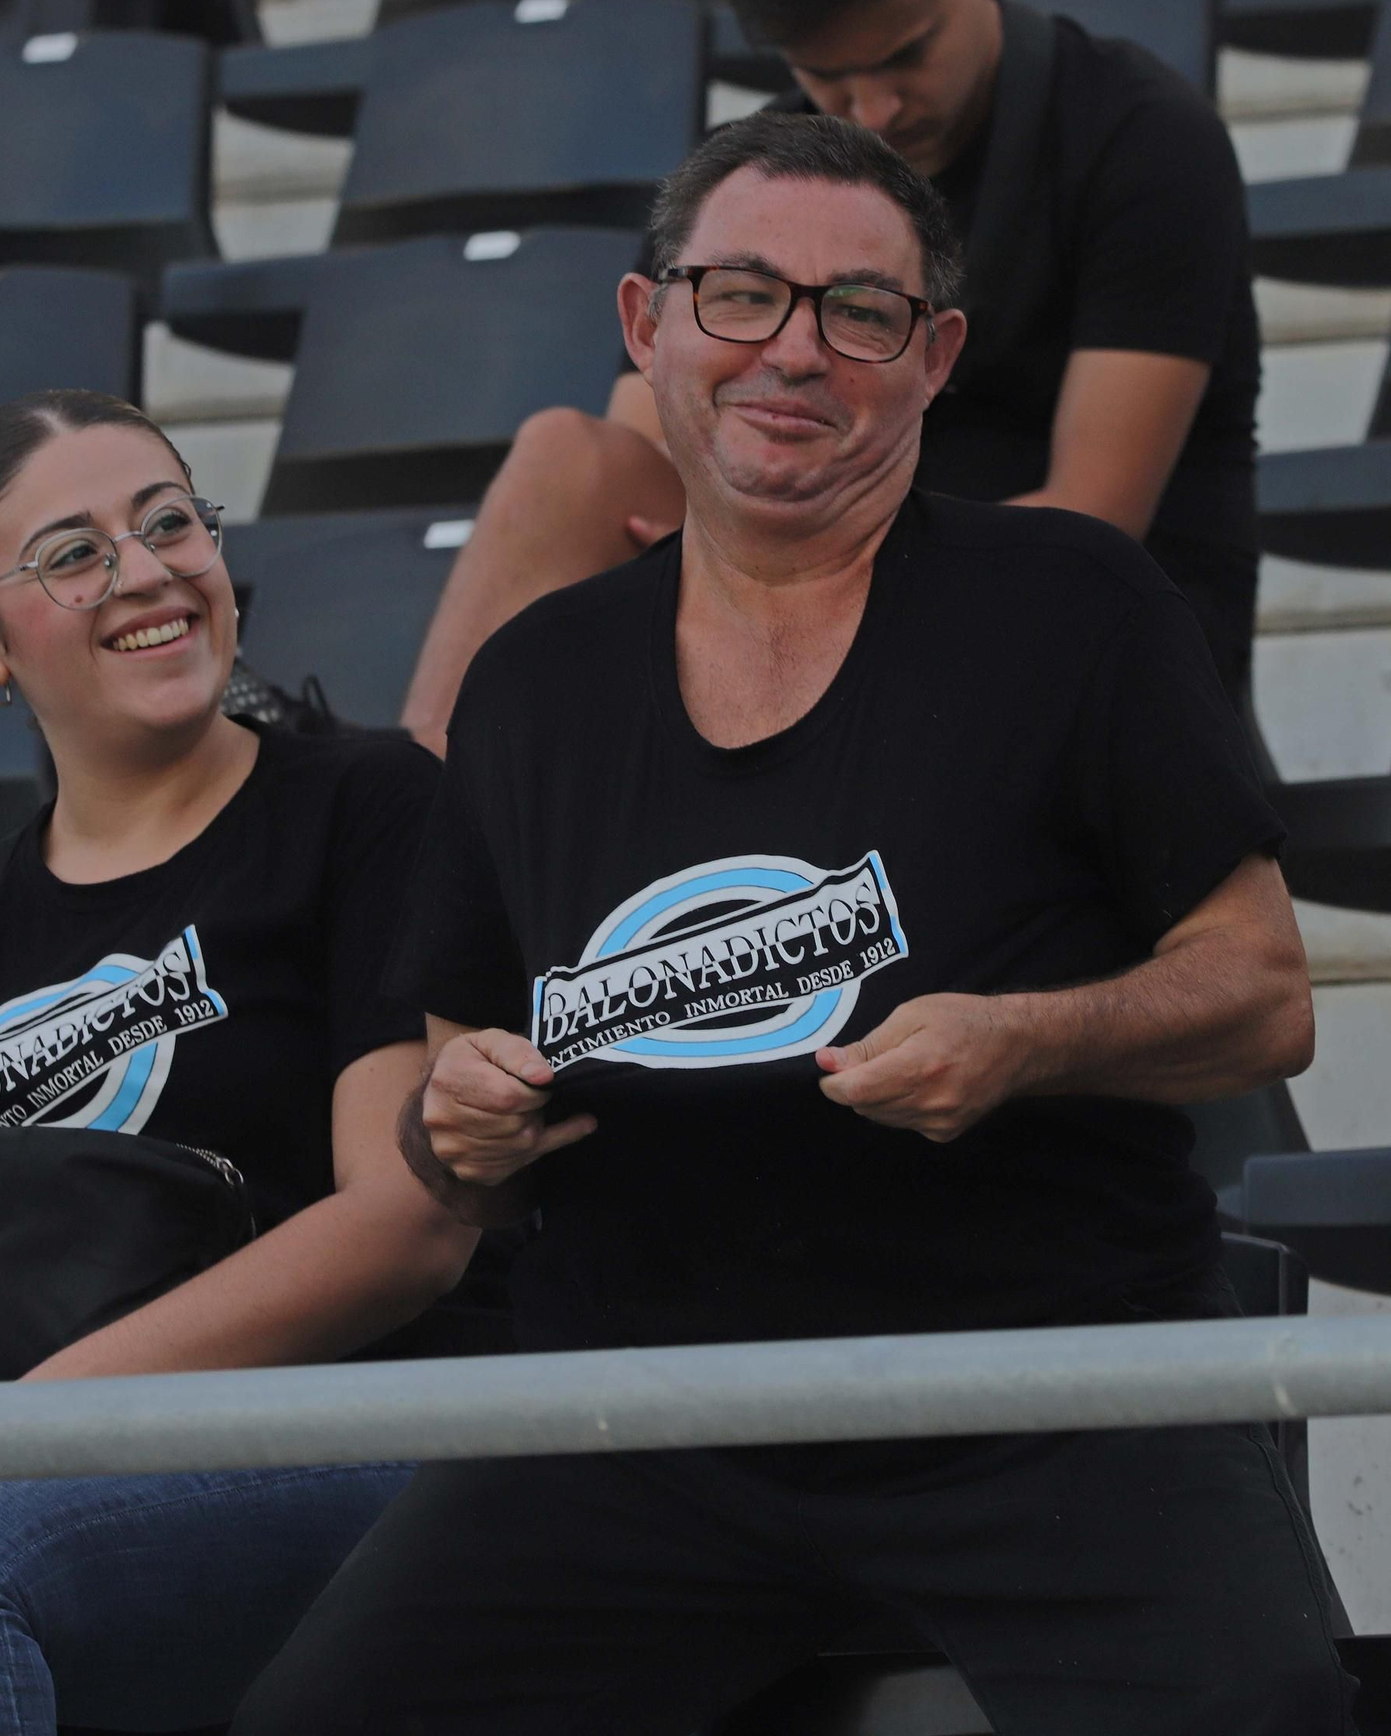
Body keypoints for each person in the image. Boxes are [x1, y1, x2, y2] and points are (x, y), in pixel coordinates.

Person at [232, 113, 1351, 1736]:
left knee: (1270, 1712)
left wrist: (1026, 1040)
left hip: (1048, 1401)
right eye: (743, 294)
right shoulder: (533, 681)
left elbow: (1263, 997)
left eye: (861, 312)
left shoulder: (1071, 605)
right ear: (649, 325)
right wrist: (460, 1118)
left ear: (936, 355)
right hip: (642, 1427)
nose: (795, 353)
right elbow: (447, 1092)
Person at [0, 390, 477, 1734]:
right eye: (75, 553)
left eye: (170, 524)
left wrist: (35, 1422)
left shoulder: (374, 807)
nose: (149, 571)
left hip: (346, 1430)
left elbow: (405, 1227)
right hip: (9, 1460)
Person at [399, 0, 1261, 753]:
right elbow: (653, 457)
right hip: (791, 629)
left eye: (905, 56)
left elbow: (1092, 523)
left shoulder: (1143, 141)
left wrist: (782, 570)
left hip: (1069, 651)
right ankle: (423, 827)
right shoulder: (749, 181)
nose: (875, 111)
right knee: (569, 461)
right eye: (827, 77)